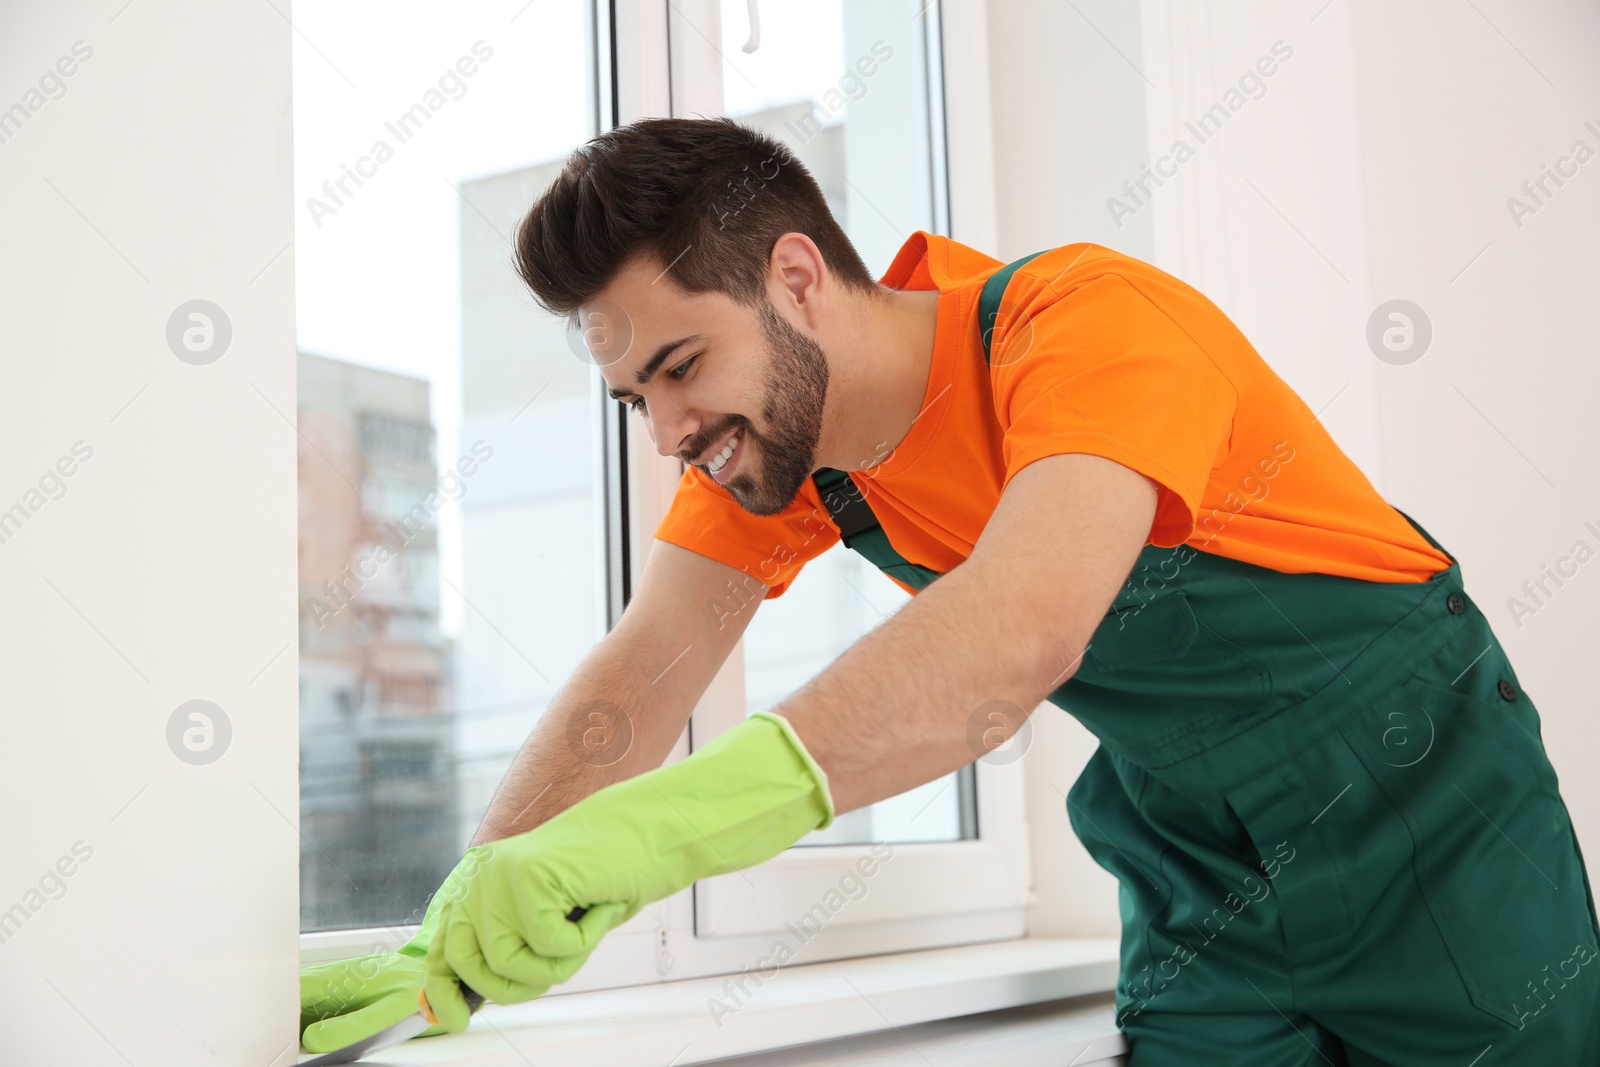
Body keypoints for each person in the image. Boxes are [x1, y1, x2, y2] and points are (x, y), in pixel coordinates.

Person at [299, 117, 1600, 1064]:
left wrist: (648, 840)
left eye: (683, 366)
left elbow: (1015, 638)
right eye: (638, 395)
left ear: (798, 278)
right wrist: (464, 912)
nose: (670, 431)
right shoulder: (790, 456)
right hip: (1199, 854)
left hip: (1425, 800)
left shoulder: (1084, 326)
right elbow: (644, 671)